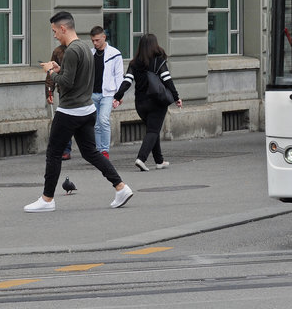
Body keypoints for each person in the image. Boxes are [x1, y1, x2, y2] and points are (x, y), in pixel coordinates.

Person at [26, 11, 133, 212]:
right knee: (91, 152)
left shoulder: (72, 51)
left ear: (63, 28)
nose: (55, 35)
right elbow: (78, 77)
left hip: (70, 110)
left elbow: (67, 84)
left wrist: (50, 72)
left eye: (55, 31)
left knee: (53, 154)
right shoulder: (84, 47)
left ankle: (47, 199)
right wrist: (60, 69)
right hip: (87, 108)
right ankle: (121, 187)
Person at [112, 33, 182, 171]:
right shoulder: (158, 61)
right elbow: (167, 80)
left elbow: (127, 81)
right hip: (157, 102)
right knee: (153, 130)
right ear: (154, 45)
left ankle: (159, 161)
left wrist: (118, 96)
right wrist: (176, 97)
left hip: (140, 104)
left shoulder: (134, 63)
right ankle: (141, 158)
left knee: (152, 129)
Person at [90, 26, 124, 156]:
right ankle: (98, 151)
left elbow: (118, 75)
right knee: (95, 123)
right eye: (93, 40)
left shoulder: (114, 53)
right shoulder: (90, 53)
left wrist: (119, 95)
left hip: (108, 93)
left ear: (104, 37)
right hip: (93, 93)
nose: (95, 43)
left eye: (97, 40)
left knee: (103, 120)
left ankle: (105, 150)